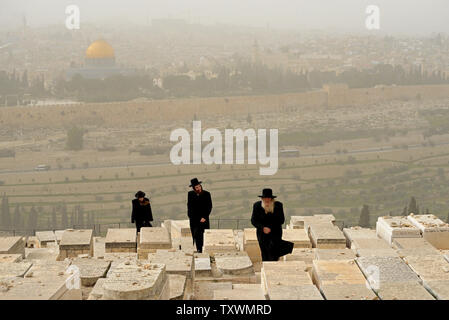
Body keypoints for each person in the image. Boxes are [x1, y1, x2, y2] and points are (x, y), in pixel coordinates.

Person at [251, 188, 286, 261]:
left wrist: (270, 228)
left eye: (268, 198)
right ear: (262, 198)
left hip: (275, 233)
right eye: (265, 198)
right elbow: (253, 220)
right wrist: (263, 228)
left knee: (274, 254)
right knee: (264, 253)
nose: (267, 200)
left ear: (271, 199)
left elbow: (281, 220)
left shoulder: (278, 206)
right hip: (262, 234)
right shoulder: (257, 206)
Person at [187, 178, 212, 253]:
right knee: (196, 236)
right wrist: (195, 218)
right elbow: (190, 207)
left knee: (203, 235)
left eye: (199, 186)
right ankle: (198, 250)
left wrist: (204, 217)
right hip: (194, 219)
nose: (198, 188)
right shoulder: (190, 194)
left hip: (204, 219)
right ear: (194, 188)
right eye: (196, 187)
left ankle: (203, 249)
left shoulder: (207, 194)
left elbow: (209, 206)